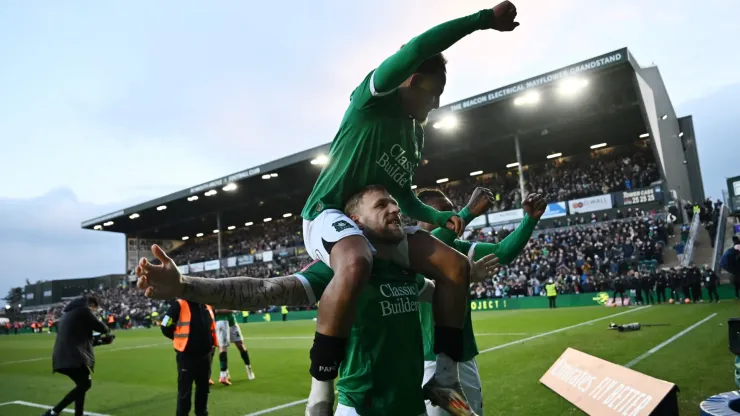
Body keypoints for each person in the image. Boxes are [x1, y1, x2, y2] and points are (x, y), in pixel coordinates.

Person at [298, 3, 521, 412]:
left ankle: (445, 376)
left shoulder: (414, 135)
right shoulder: (373, 99)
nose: (435, 104)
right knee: (355, 259)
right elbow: (420, 45)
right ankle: (321, 388)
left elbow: (404, 194)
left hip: (377, 223)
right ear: (414, 81)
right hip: (329, 214)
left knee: (455, 267)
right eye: (434, 94)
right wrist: (484, 19)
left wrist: (437, 217)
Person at [135, 185, 498, 415]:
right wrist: (184, 285)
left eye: (395, 204)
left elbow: (435, 293)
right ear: (354, 219)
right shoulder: (341, 268)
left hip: (410, 407)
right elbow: (264, 291)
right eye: (382, 204)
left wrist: (467, 274)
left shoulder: (404, 269)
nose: (395, 210)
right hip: (362, 409)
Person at [415, 188, 544, 415]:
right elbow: (428, 244)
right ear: (420, 217)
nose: (448, 217)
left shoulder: (459, 249)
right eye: (441, 212)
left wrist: (529, 221)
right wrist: (468, 213)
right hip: (429, 361)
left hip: (463, 356)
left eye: (450, 211)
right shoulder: (410, 249)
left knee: (471, 413)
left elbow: (501, 253)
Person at [44, 294, 113, 416]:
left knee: (82, 384)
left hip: (65, 356)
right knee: (85, 384)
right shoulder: (83, 310)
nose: (94, 312)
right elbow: (101, 327)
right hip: (72, 357)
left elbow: (81, 340)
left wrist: (102, 341)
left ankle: (77, 414)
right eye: (94, 309)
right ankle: (53, 412)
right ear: (91, 305)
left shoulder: (70, 313)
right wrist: (107, 331)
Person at [161, 298, 218, 416]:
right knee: (185, 392)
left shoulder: (208, 305)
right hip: (187, 356)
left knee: (203, 390)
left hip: (205, 356)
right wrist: (178, 338)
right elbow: (165, 325)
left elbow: (212, 327)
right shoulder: (179, 304)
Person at [214, 309, 255, 385]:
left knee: (240, 345)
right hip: (221, 321)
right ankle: (223, 375)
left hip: (232, 321)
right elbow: (215, 310)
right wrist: (231, 310)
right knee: (222, 347)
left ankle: (249, 369)